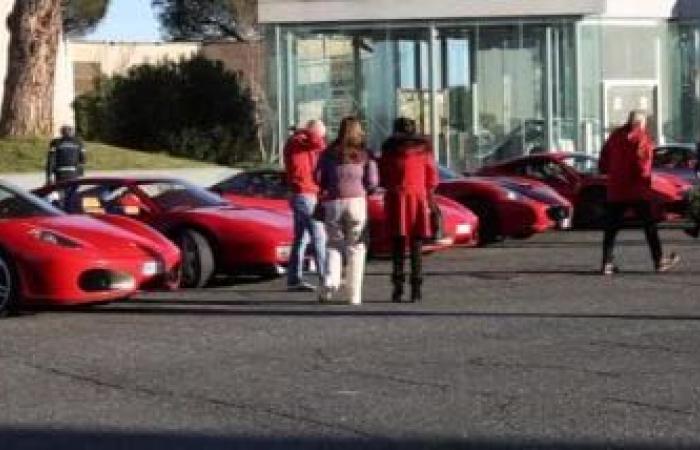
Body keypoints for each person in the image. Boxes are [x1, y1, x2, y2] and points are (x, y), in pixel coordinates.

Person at [599, 110, 679, 275]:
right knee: (649, 226)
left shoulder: (615, 136)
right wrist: (645, 184)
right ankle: (659, 260)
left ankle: (606, 263)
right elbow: (643, 165)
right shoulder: (642, 138)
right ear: (640, 123)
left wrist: (612, 173)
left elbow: (603, 158)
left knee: (611, 228)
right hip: (636, 190)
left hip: (616, 188)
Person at [315, 117, 378, 305]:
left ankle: (330, 282)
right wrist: (366, 188)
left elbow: (318, 177)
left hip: (333, 202)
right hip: (358, 202)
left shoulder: (328, 153)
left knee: (334, 244)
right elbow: (373, 181)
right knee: (356, 248)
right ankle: (354, 295)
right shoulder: (365, 154)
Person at [379, 117, 438, 302]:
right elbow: (432, 177)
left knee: (397, 245)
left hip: (396, 197)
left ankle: (397, 288)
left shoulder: (389, 149)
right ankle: (416, 288)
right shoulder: (423, 150)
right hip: (418, 197)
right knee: (416, 245)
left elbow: (383, 176)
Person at [284, 119, 328, 291]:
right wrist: (307, 131)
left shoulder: (301, 143)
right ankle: (326, 277)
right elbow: (318, 143)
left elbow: (319, 146)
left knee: (301, 238)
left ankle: (294, 278)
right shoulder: (298, 142)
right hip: (304, 193)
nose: (321, 138)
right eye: (320, 133)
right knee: (319, 236)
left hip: (304, 193)